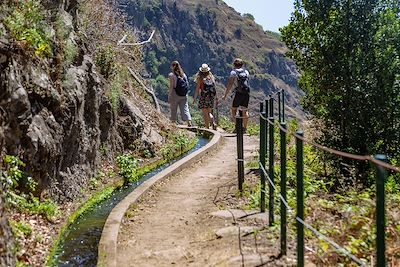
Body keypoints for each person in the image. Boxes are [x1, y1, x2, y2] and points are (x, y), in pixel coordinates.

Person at [222, 58, 250, 132]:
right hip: (246, 93)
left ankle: (238, 127)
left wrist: (225, 95)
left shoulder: (233, 72)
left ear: (234, 64)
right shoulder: (246, 72)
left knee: (234, 109)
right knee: (245, 110)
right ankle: (245, 128)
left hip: (238, 93)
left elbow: (230, 84)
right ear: (242, 64)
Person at [193, 63, 217, 130]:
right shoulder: (211, 77)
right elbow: (214, 88)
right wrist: (216, 97)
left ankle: (207, 128)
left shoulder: (200, 78)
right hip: (211, 97)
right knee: (209, 112)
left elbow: (197, 90)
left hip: (203, 97)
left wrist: (194, 99)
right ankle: (213, 122)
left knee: (205, 114)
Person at [168, 61, 192, 126]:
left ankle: (173, 122)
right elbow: (187, 85)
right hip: (184, 95)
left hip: (175, 94)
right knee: (185, 108)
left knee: (173, 108)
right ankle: (189, 121)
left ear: (173, 67)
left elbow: (171, 86)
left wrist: (169, 95)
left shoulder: (171, 75)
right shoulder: (184, 75)